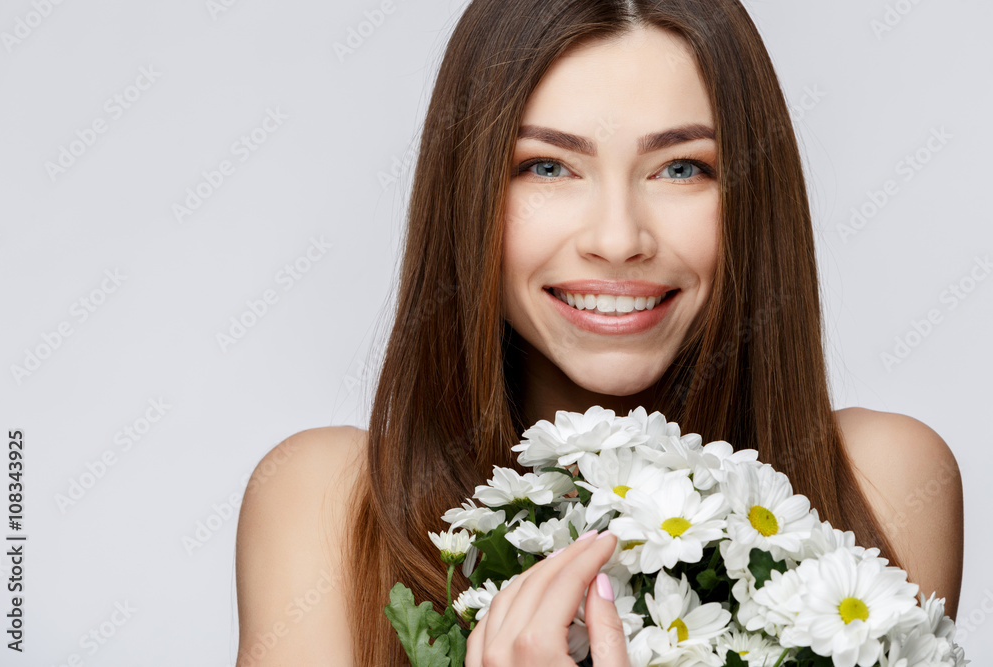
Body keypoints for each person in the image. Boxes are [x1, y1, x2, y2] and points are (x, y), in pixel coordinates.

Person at [233, 1, 964, 665]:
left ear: (751, 197)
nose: (618, 239)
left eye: (681, 167)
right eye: (547, 165)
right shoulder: (329, 504)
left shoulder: (878, 479)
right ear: (469, 192)